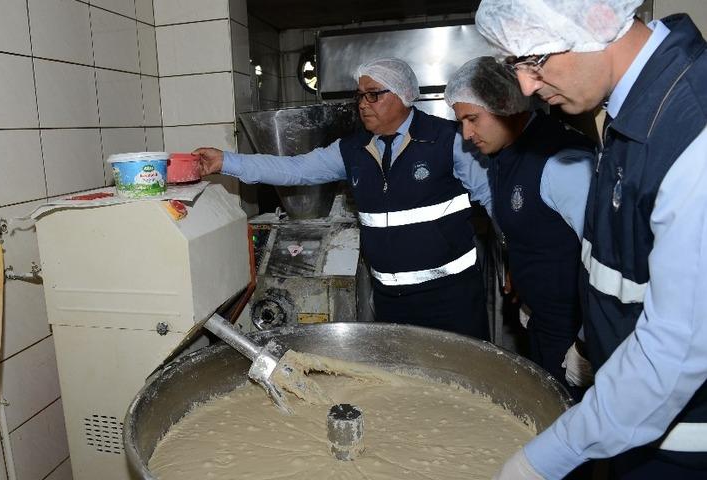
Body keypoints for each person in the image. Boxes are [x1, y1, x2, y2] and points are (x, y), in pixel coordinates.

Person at [475, 0, 707, 478]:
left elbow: (675, 354)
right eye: (514, 64)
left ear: (599, 20)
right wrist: (588, 342)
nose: (524, 87)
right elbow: (619, 258)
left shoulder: (692, 130)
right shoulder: (631, 112)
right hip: (632, 430)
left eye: (535, 59)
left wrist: (539, 461)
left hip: (681, 449)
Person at [194, 58, 492, 339]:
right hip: (391, 303)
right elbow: (295, 169)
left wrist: (517, 263)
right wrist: (226, 162)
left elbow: (493, 200)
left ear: (403, 94)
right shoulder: (352, 150)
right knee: (403, 386)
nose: (363, 104)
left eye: (373, 95)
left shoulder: (449, 140)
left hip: (452, 298)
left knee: (463, 387)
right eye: (360, 96)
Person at [444, 56, 595, 397]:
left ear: (506, 106)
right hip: (541, 319)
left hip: (571, 330)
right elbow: (534, 225)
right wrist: (520, 270)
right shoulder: (504, 153)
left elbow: (604, 258)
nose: (466, 135)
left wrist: (588, 346)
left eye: (472, 119)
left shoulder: (563, 162)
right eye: (461, 122)